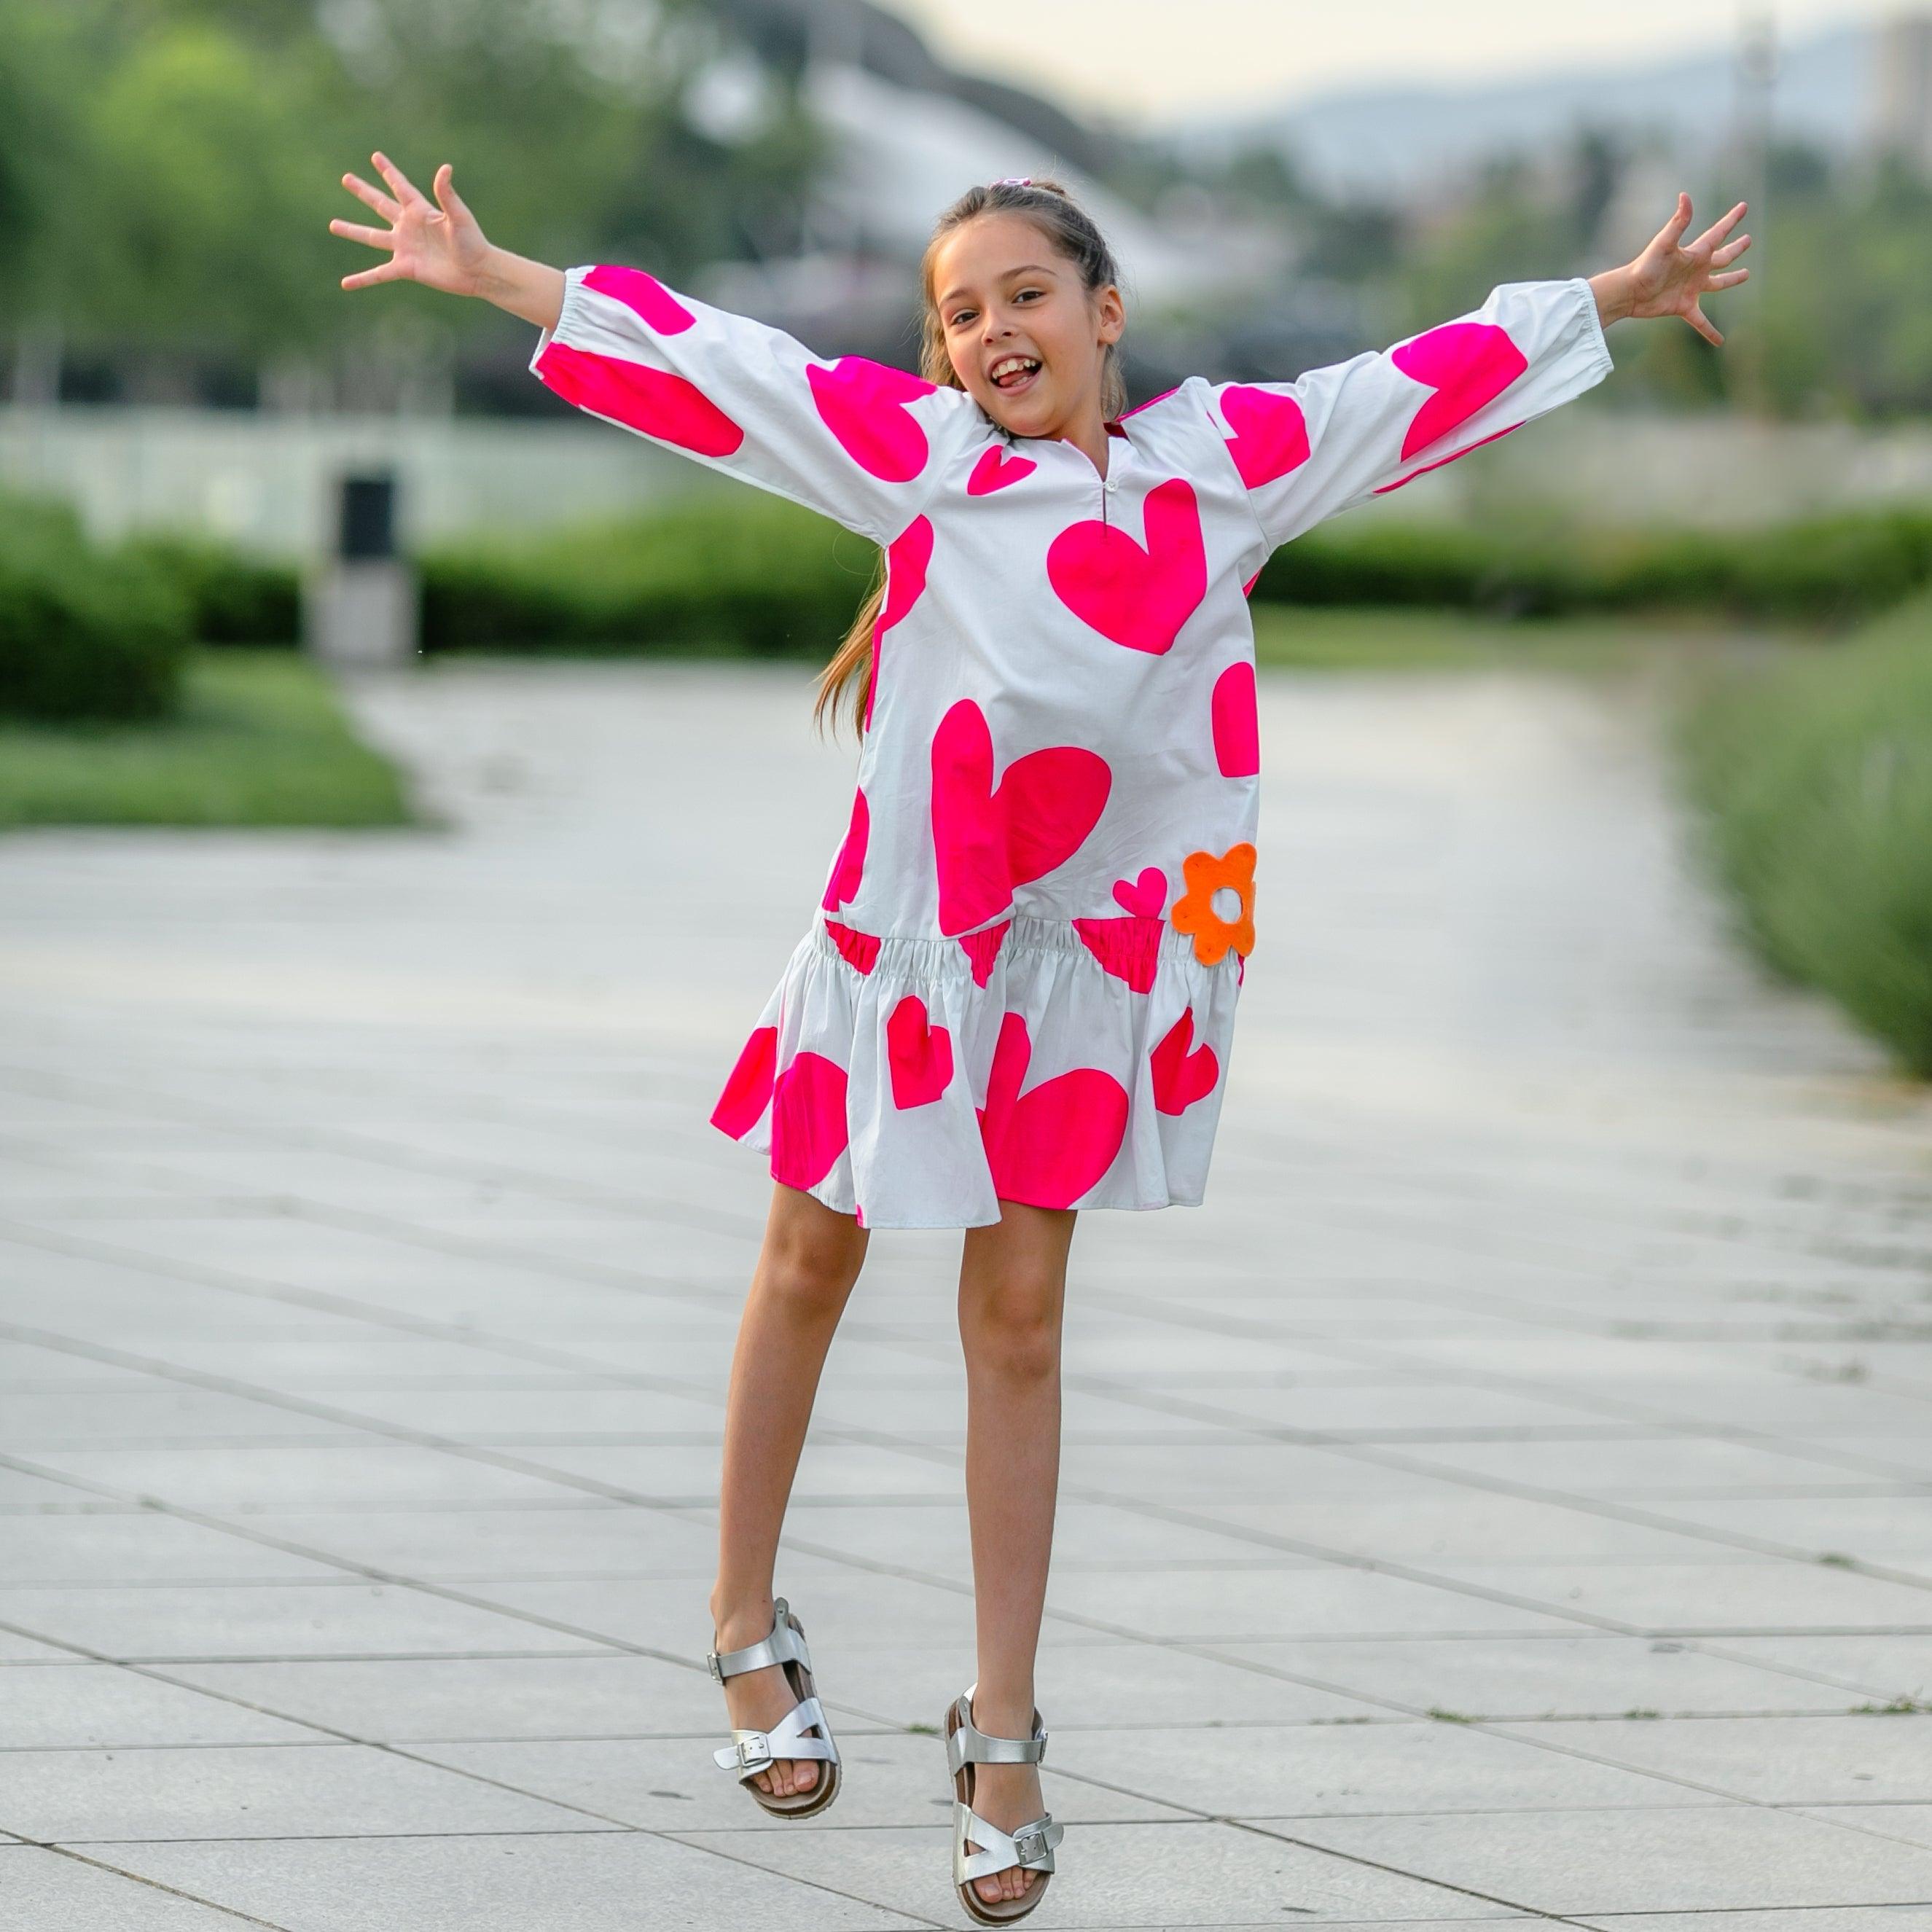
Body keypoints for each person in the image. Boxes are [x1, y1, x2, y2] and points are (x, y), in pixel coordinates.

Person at [330, 155, 1748, 1920]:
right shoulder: (919, 465)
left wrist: (1603, 300)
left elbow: (1411, 384)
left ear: (1104, 311)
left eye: (1023, 292)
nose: (993, 327)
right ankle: (736, 1622)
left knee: (1017, 1320)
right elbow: (738, 366)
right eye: (959, 310)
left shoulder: (1229, 465)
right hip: (910, 955)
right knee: (805, 1267)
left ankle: (1003, 1734)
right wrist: (498, 275)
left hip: (1083, 979)